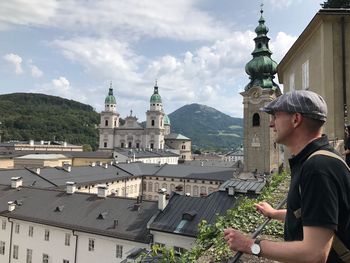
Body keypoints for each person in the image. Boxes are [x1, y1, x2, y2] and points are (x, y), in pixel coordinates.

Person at [224, 90, 350, 263]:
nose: (271, 124)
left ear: (295, 119)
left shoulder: (317, 168)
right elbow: (316, 215)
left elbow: (315, 254)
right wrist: (275, 213)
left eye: (275, 116)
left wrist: (249, 245)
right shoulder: (323, 157)